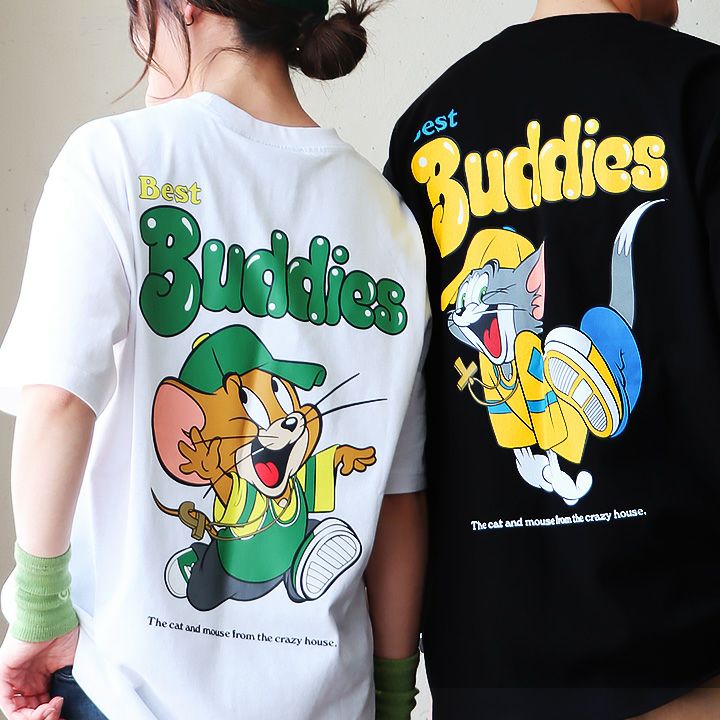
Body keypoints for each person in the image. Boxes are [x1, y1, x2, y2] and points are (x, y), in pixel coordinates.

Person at [0, 1, 429, 718]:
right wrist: (392, 696)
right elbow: (400, 498)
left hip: (130, 694)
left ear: (185, 7)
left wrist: (39, 613)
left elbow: (59, 400)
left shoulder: (115, 159)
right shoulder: (389, 219)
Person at [385, 0, 720, 717]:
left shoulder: (429, 127)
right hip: (684, 668)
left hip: (489, 680)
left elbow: (402, 431)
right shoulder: (702, 92)